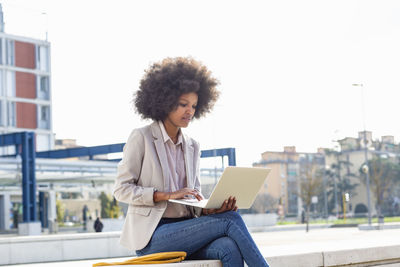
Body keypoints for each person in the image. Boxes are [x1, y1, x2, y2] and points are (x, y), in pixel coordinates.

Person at [113, 57, 269, 267]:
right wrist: (165, 195)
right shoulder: (142, 138)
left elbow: (192, 199)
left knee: (228, 245)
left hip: (188, 231)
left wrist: (209, 209)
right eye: (183, 104)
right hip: (153, 236)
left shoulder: (192, 146)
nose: (190, 111)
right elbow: (121, 190)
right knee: (230, 221)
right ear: (164, 101)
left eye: (194, 106)